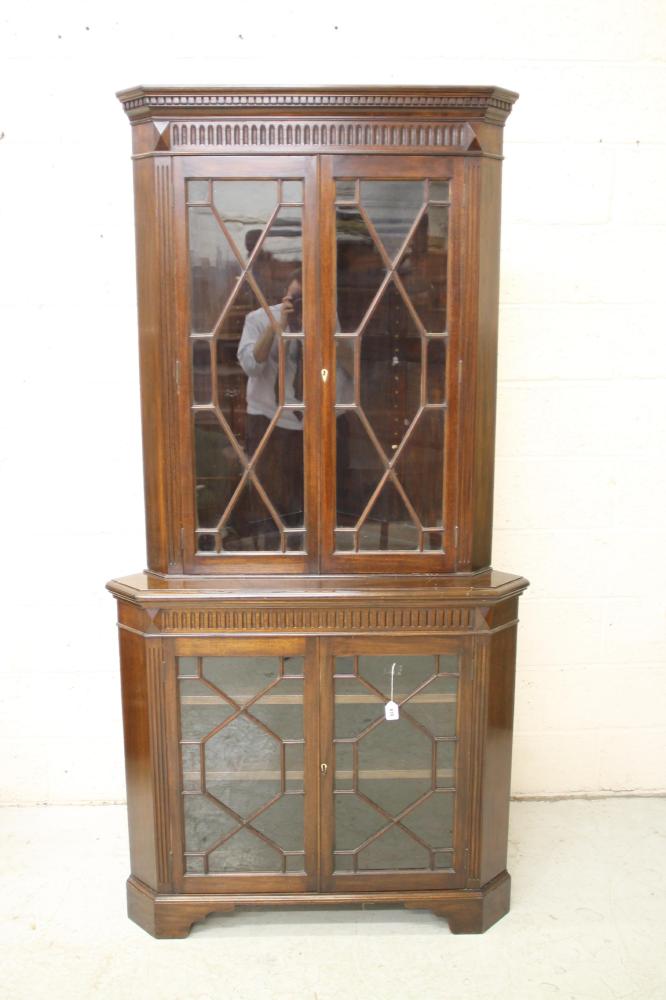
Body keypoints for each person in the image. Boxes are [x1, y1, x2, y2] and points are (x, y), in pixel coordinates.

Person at [237, 270, 305, 534]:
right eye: (296, 298)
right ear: (284, 296)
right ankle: (273, 554)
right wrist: (276, 326)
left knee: (305, 496)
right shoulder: (257, 319)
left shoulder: (324, 318)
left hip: (310, 420)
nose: (301, 305)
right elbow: (252, 367)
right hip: (267, 418)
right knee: (269, 498)